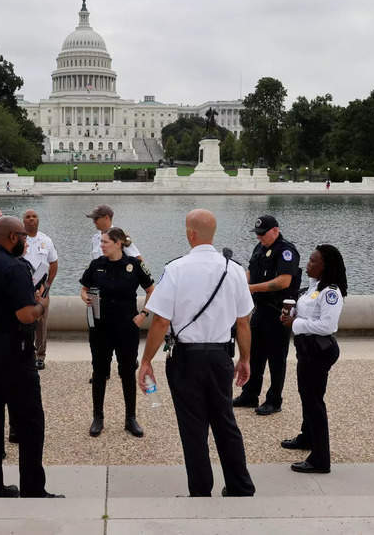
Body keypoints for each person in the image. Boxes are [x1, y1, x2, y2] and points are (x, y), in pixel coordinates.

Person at [138, 210, 256, 498]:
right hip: (220, 355)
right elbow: (243, 321)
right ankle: (240, 485)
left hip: (186, 357)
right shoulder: (235, 270)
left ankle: (201, 489)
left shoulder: (176, 269)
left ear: (191, 233)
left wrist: (145, 361)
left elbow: (162, 321)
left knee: (193, 427)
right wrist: (245, 358)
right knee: (225, 422)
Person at [0, 216, 62, 498]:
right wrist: (41, 304)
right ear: (12, 237)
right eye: (23, 236)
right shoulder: (15, 267)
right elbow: (25, 314)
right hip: (11, 352)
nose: (26, 241)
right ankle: (33, 488)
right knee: (30, 421)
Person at [80, 227, 155, 438]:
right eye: (101, 241)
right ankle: (98, 417)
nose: (101, 245)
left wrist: (143, 314)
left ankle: (130, 418)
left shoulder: (134, 265)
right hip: (100, 328)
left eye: (105, 242)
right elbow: (84, 287)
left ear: (118, 243)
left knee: (127, 372)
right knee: (99, 372)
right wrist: (84, 296)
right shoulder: (96, 265)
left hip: (126, 328)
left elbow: (151, 290)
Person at [280, 244, 347, 474]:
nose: (308, 264)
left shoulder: (330, 292)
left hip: (318, 350)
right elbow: (310, 314)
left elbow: (328, 325)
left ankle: (320, 458)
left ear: (325, 266)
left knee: (314, 402)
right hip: (306, 349)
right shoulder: (313, 287)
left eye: (313, 261)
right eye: (309, 260)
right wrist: (293, 315)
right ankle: (307, 437)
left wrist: (295, 324)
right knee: (306, 395)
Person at [233, 214, 301, 416]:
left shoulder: (286, 251)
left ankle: (274, 399)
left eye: (263, 234)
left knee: (276, 358)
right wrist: (238, 280)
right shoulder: (260, 248)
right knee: (254, 354)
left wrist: (251, 288)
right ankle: (250, 394)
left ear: (276, 231)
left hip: (278, 311)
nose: (260, 238)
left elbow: (283, 281)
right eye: (258, 234)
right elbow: (251, 272)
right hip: (260, 310)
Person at [85, 204, 142, 384]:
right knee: (95, 330)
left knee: (121, 332)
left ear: (108, 217)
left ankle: (127, 364)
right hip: (97, 289)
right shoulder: (95, 238)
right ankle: (100, 370)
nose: (94, 221)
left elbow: (138, 260)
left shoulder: (120, 236)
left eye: (97, 218)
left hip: (116, 293)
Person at [22, 209, 58, 370]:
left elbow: (54, 263)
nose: (31, 219)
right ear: (23, 221)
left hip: (41, 287)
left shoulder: (46, 240)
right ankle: (22, 353)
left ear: (38, 220)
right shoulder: (18, 239)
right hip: (22, 287)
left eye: (34, 216)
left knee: (41, 324)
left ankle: (40, 356)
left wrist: (47, 286)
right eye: (28, 217)